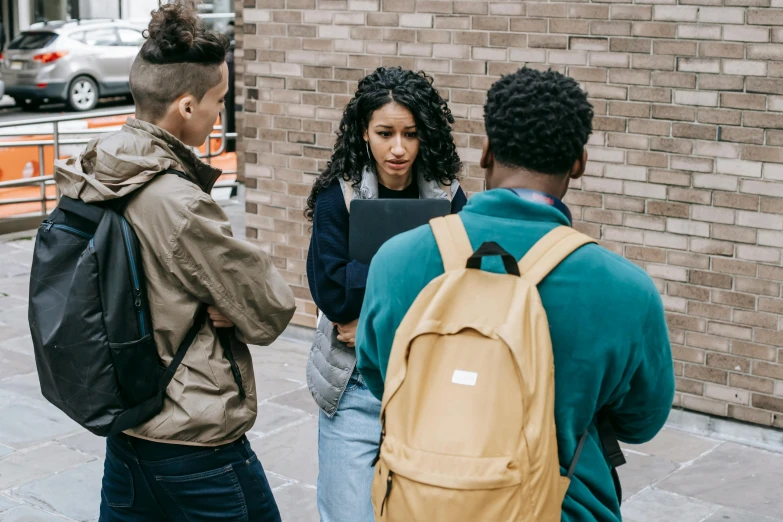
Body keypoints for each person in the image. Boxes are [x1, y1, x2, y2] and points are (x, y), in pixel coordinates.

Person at [356, 67, 675, 521]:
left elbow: (381, 377)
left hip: (419, 504)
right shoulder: (626, 289)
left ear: (486, 152)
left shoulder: (396, 260)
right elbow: (642, 422)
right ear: (579, 163)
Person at [54, 2, 296, 520]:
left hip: (126, 436)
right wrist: (227, 304)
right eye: (218, 100)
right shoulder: (178, 203)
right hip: (196, 445)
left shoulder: (94, 168)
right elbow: (272, 307)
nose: (220, 113)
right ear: (186, 106)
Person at [305, 66, 467, 521]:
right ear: (363, 133)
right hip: (353, 381)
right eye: (385, 133)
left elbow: (462, 285)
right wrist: (421, 271)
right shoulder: (336, 198)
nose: (398, 148)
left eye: (411, 134)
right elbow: (334, 296)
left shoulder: (449, 196)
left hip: (424, 379)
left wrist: (378, 311)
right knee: (348, 513)